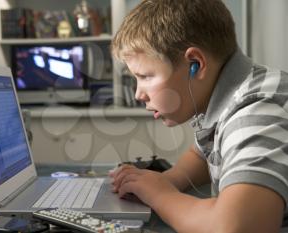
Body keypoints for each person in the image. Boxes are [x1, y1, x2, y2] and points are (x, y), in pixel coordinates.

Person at [109, 0, 288, 232]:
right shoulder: (228, 97)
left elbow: (236, 227)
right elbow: (203, 155)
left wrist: (160, 195)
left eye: (145, 76)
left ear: (195, 63)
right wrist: (168, 179)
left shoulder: (257, 112)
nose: (138, 93)